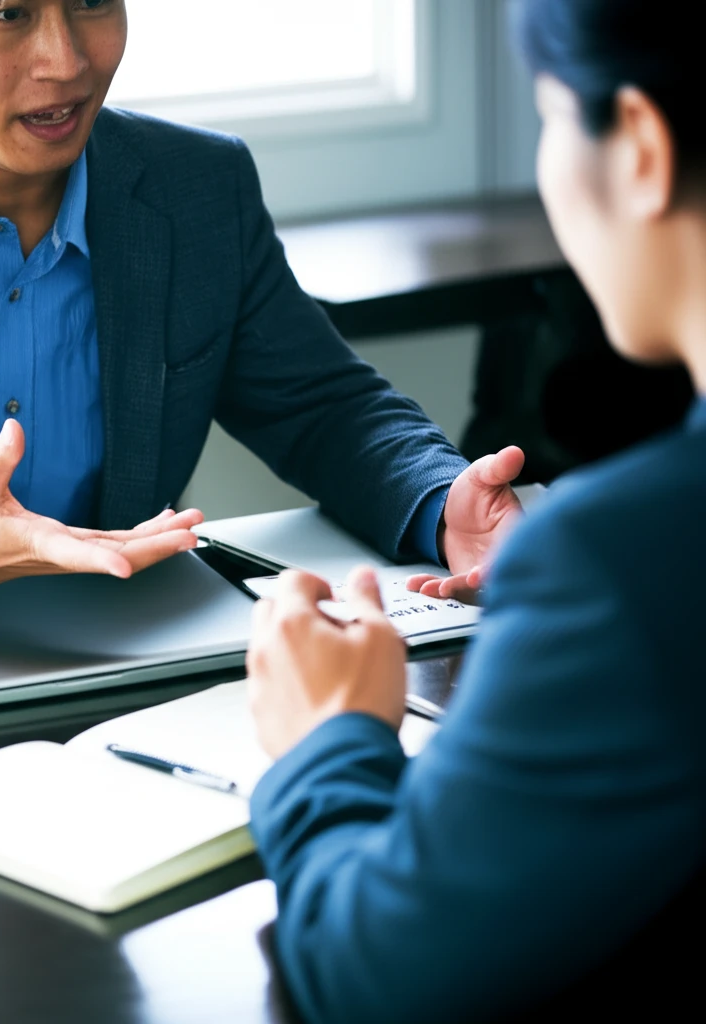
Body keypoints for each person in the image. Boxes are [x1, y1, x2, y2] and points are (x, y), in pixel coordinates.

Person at [0, 0, 521, 632]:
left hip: (134, 655)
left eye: (91, 0)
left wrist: (441, 497)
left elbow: (322, 407)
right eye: (8, 13)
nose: (68, 59)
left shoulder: (199, 186)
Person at [246, 0, 706, 1020]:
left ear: (636, 146)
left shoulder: (620, 557)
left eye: (546, 115)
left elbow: (367, 979)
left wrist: (326, 737)